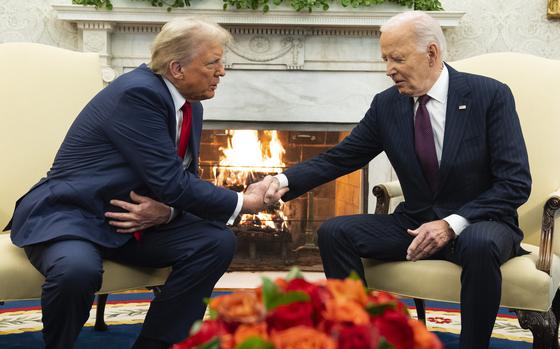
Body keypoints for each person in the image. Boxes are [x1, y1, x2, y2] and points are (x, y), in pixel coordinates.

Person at [5, 18, 284, 349]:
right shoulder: (137, 94)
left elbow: (178, 182)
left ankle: (157, 343)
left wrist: (167, 214)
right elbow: (171, 182)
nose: (221, 71)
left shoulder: (189, 103)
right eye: (213, 63)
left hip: (125, 223)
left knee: (215, 241)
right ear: (177, 68)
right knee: (76, 271)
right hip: (74, 217)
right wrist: (244, 202)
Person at [263, 11, 531, 349]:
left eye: (397, 58)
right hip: (416, 221)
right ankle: (357, 338)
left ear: (432, 53)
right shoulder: (387, 105)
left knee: (479, 244)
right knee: (334, 233)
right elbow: (342, 157)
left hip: (481, 221)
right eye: (385, 59)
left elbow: (515, 182)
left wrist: (452, 223)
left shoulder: (489, 95)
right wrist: (282, 180)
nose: (388, 68)